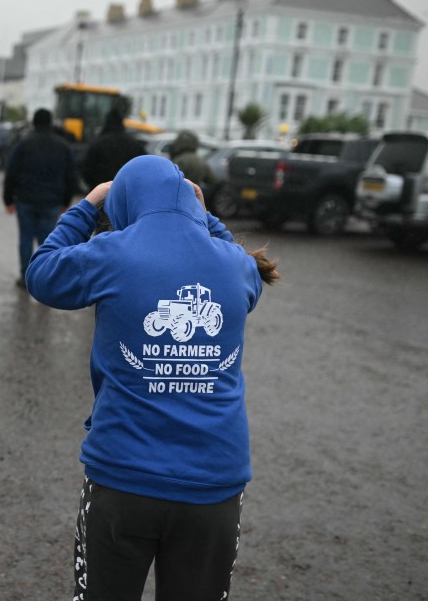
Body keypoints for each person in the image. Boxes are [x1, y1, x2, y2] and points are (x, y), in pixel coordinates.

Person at [25, 155, 279, 601]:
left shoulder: (112, 252)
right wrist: (202, 214)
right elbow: (249, 276)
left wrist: (86, 206)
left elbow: (42, 275)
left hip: (123, 476)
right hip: (214, 483)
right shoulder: (237, 266)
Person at [2, 108, 76, 288]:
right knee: (48, 242)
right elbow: (71, 176)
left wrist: (8, 199)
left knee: (25, 239)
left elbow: (11, 172)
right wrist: (66, 201)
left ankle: (25, 277)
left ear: (34, 122)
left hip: (26, 200)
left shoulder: (24, 144)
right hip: (52, 202)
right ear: (50, 122)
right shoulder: (63, 146)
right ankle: (45, 279)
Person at [81, 108, 146, 191]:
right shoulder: (134, 145)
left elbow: (87, 170)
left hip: (100, 194)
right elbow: (142, 169)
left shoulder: (97, 144)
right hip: (126, 193)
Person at [167, 130, 215, 195]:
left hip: (178, 195)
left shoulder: (179, 160)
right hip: (194, 196)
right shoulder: (200, 160)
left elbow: (170, 179)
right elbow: (213, 180)